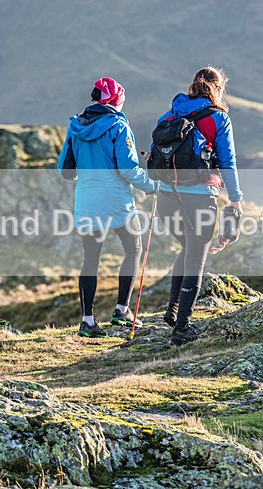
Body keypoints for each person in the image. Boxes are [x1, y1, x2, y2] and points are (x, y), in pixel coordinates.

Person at [58, 77, 159, 338]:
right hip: (116, 200)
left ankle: (87, 321)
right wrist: (152, 186)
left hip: (86, 199)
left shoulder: (74, 126)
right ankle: (122, 310)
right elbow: (127, 169)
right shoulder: (118, 125)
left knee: (90, 259)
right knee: (134, 248)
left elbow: (65, 171)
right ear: (116, 100)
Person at [155, 66, 243, 346]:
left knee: (187, 248)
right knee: (196, 257)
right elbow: (227, 162)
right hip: (200, 197)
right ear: (218, 88)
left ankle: (172, 310)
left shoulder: (169, 115)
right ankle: (181, 329)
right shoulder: (218, 118)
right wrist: (236, 198)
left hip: (167, 198)